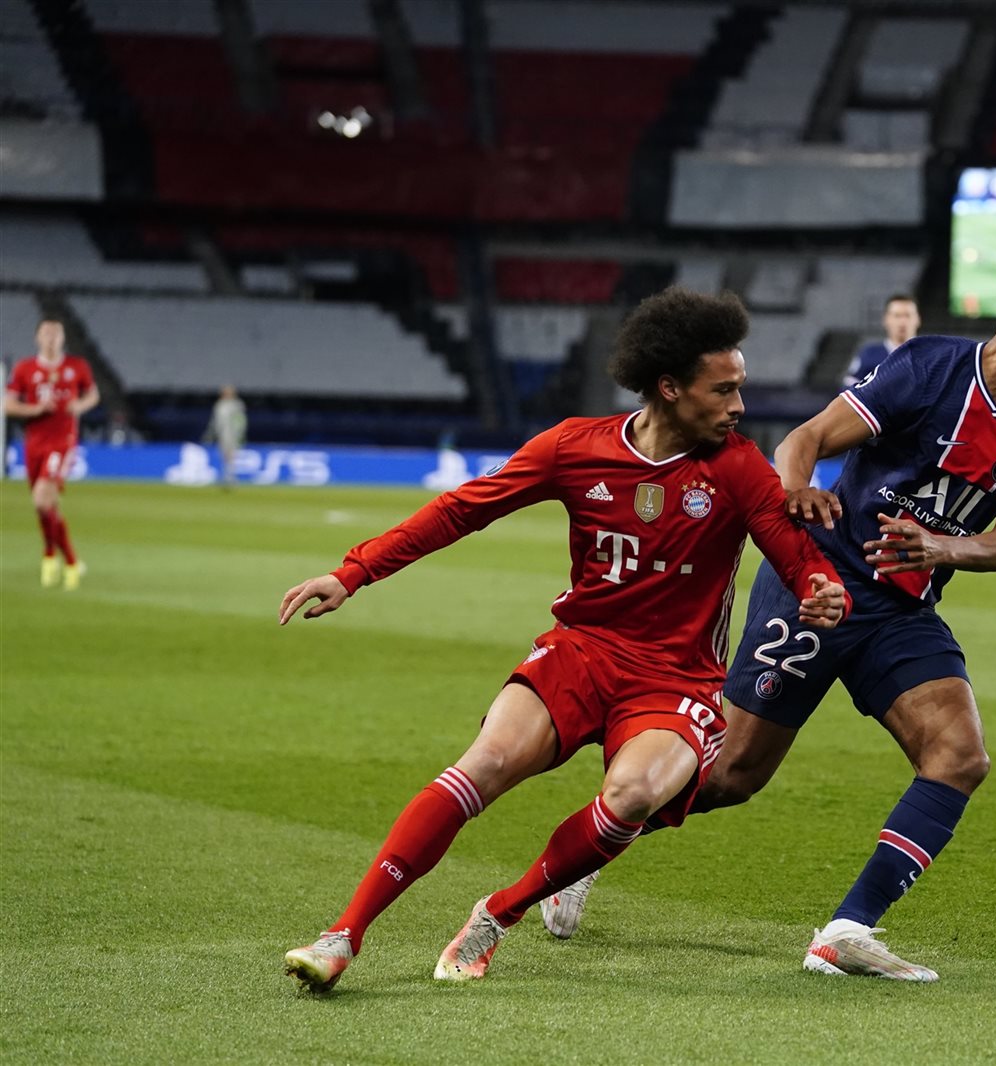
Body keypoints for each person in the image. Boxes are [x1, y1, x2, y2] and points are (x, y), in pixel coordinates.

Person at [544, 253, 996, 982]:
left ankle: (845, 930)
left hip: (902, 610)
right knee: (732, 774)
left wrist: (940, 547)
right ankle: (591, 844)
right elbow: (801, 441)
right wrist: (795, 492)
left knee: (960, 756)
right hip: (820, 587)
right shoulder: (929, 368)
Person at [277, 287, 850, 993]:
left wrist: (824, 589)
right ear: (669, 388)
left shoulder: (738, 468)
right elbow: (461, 510)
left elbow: (797, 559)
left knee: (632, 797)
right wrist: (354, 572)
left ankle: (499, 912)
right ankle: (342, 936)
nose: (739, 404)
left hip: (676, 678)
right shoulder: (575, 446)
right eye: (723, 389)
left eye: (740, 387)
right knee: (484, 763)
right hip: (580, 651)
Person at [3, 319, 99, 590]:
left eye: (56, 333)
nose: (51, 338)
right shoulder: (24, 368)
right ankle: (64, 559)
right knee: (45, 506)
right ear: (37, 338)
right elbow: (7, 405)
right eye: (46, 333)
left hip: (62, 441)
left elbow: (93, 395)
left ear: (63, 338)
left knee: (42, 499)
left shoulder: (77, 367)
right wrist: (34, 409)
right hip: (34, 443)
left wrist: (79, 406)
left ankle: (58, 559)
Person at [841, 294, 919, 388]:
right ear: (886, 320)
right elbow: (849, 387)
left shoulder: (930, 354)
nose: (902, 322)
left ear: (917, 319)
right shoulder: (869, 354)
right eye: (897, 316)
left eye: (907, 315)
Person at [203, 385, 247, 488]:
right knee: (224, 455)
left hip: (232, 433)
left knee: (231, 455)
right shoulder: (219, 404)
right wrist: (210, 434)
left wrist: (240, 434)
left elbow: (240, 419)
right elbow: (215, 420)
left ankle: (231, 478)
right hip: (222, 433)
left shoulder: (237, 404)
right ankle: (226, 476)